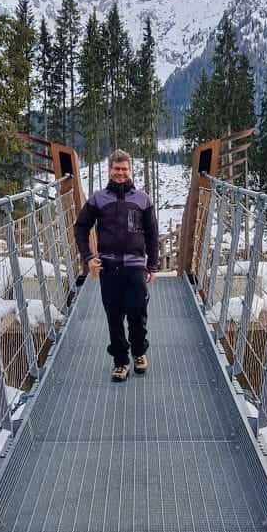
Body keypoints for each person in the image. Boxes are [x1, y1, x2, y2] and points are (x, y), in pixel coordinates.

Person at [74, 150, 159, 381]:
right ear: (110, 170)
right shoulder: (98, 199)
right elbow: (80, 228)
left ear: (130, 170)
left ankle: (139, 352)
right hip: (109, 267)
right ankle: (120, 361)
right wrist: (89, 257)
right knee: (114, 316)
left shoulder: (143, 199)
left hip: (135, 267)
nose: (120, 173)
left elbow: (152, 235)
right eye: (116, 169)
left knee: (137, 314)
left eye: (124, 169)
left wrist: (152, 266)